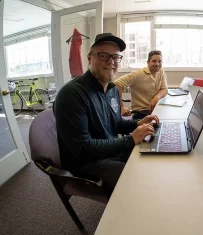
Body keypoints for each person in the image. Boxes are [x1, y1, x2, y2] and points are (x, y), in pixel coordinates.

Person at [54, 33, 158, 193]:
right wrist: (130, 140)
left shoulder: (112, 90)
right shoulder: (72, 94)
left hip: (108, 149)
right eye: (103, 56)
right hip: (85, 162)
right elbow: (83, 149)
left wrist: (137, 124)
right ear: (90, 59)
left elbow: (115, 123)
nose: (111, 62)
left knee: (151, 154)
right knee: (136, 180)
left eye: (116, 57)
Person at [114, 50, 168, 118]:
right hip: (141, 112)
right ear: (148, 62)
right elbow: (117, 84)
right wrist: (121, 107)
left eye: (159, 61)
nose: (157, 64)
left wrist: (157, 97)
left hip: (157, 109)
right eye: (154, 61)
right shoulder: (138, 74)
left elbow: (164, 89)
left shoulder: (161, 71)